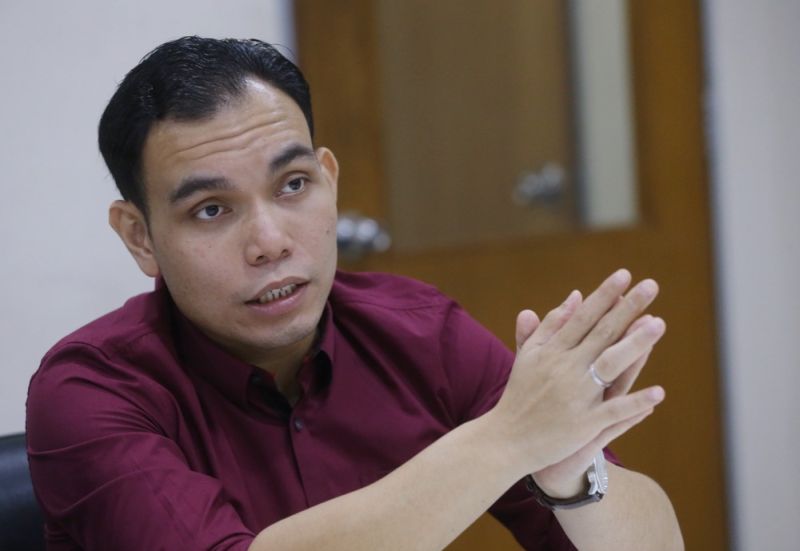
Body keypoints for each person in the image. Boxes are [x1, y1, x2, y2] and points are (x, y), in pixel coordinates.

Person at [26, 36, 683, 550]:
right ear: (140, 236)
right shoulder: (89, 390)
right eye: (210, 210)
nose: (271, 240)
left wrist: (573, 473)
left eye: (292, 186)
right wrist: (510, 438)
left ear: (329, 181)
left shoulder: (423, 334)